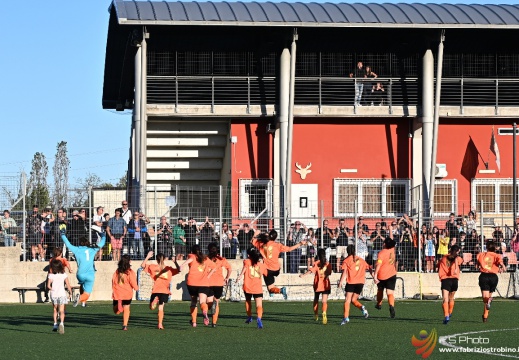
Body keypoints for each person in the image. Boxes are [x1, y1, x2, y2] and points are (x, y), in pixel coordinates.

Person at [251, 231, 305, 299]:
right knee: (270, 286)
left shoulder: (262, 244)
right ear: (275, 238)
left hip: (268, 270)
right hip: (276, 269)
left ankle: (275, 290)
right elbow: (289, 249)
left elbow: (252, 240)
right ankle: (274, 291)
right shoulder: (278, 245)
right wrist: (300, 243)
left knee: (269, 287)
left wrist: (255, 234)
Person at [60, 229, 106, 307]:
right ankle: (81, 298)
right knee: (87, 294)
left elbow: (68, 244)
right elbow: (102, 243)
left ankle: (82, 302)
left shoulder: (77, 249)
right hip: (90, 275)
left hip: (80, 274)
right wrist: (103, 236)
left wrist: (63, 234)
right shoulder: (92, 249)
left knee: (82, 285)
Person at [180, 245, 216, 327]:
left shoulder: (192, 256)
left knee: (193, 302)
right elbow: (214, 267)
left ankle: (194, 322)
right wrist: (208, 276)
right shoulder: (206, 259)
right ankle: (204, 312)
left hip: (192, 283)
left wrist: (183, 265)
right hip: (203, 284)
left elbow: (190, 259)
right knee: (203, 302)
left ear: (192, 251)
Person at [141, 251, 180, 329]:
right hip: (165, 291)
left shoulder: (152, 267)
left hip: (156, 290)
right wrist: (175, 262)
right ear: (164, 259)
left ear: (156, 260)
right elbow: (179, 270)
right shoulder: (168, 269)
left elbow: (142, 265)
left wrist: (148, 257)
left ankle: (155, 299)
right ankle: (160, 324)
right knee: (161, 307)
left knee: (151, 307)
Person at [337, 245, 373, 325]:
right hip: (360, 283)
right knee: (353, 300)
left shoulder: (346, 260)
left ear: (347, 251)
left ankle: (346, 317)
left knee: (347, 300)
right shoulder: (361, 260)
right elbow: (369, 267)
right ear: (354, 251)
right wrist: (374, 277)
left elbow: (344, 272)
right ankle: (362, 308)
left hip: (351, 282)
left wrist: (340, 282)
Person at [237, 247, 268, 329]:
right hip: (257, 287)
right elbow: (266, 274)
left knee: (248, 301)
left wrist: (240, 276)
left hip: (248, 287)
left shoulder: (246, 261)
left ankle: (249, 316)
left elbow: (244, 269)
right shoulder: (262, 265)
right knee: (259, 305)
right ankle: (259, 318)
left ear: (248, 255)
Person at [300, 248, 332, 324]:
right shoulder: (328, 264)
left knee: (316, 299)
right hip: (325, 285)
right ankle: (324, 313)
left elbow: (311, 270)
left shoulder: (316, 263)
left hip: (318, 284)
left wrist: (303, 275)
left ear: (318, 255)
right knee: (324, 301)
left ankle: (316, 315)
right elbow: (329, 273)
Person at [477, 241, 505, 323]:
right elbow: (500, 262)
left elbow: (477, 260)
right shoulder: (497, 255)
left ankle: (488, 301)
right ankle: (485, 316)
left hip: (484, 276)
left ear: (487, 247)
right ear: (495, 248)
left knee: (485, 298)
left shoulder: (482, 254)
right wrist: (502, 267)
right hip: (493, 277)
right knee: (488, 297)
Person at [206, 242, 231, 327]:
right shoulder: (221, 259)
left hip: (208, 283)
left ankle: (210, 306)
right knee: (216, 301)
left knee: (208, 302)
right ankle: (214, 323)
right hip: (219, 283)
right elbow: (229, 269)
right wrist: (227, 278)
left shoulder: (206, 259)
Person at [112, 254, 139, 330]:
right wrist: (136, 288)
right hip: (127, 293)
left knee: (116, 311)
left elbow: (113, 280)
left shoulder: (117, 271)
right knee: (126, 308)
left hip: (118, 293)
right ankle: (125, 325)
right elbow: (133, 282)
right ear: (129, 261)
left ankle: (118, 305)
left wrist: (114, 290)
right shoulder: (130, 272)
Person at [437, 245, 463, 324]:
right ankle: (450, 312)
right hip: (454, 280)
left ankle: (446, 315)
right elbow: (460, 262)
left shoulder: (444, 258)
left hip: (445, 279)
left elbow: (438, 265)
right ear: (458, 251)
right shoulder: (458, 259)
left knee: (445, 298)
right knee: (451, 298)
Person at [373, 237, 397, 318]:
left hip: (382, 275)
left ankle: (379, 304)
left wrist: (375, 275)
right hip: (392, 274)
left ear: (384, 244)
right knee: (390, 293)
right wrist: (390, 230)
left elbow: (378, 265)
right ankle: (391, 306)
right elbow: (392, 240)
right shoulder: (392, 250)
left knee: (380, 290)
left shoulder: (381, 253)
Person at [47, 259, 72, 334]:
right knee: (62, 310)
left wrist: (53, 289)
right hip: (62, 294)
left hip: (54, 295)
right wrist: (70, 293)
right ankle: (61, 323)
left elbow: (48, 286)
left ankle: (55, 324)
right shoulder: (64, 275)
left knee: (55, 310)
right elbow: (68, 284)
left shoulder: (51, 275)